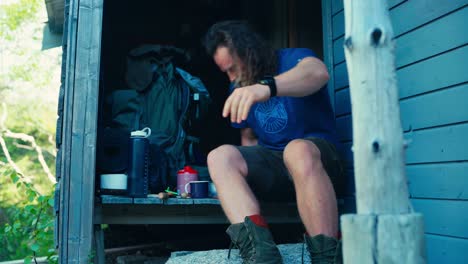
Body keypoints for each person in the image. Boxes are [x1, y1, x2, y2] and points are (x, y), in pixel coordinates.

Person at [203, 20, 343, 263]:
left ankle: (328, 257)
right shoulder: (238, 88)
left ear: (249, 50)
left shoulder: (293, 59)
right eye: (226, 72)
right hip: (276, 167)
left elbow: (318, 73)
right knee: (219, 157)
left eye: (233, 68)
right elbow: (248, 139)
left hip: (318, 162)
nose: (232, 77)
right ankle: (262, 256)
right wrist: (237, 188)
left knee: (296, 150)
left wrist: (266, 88)